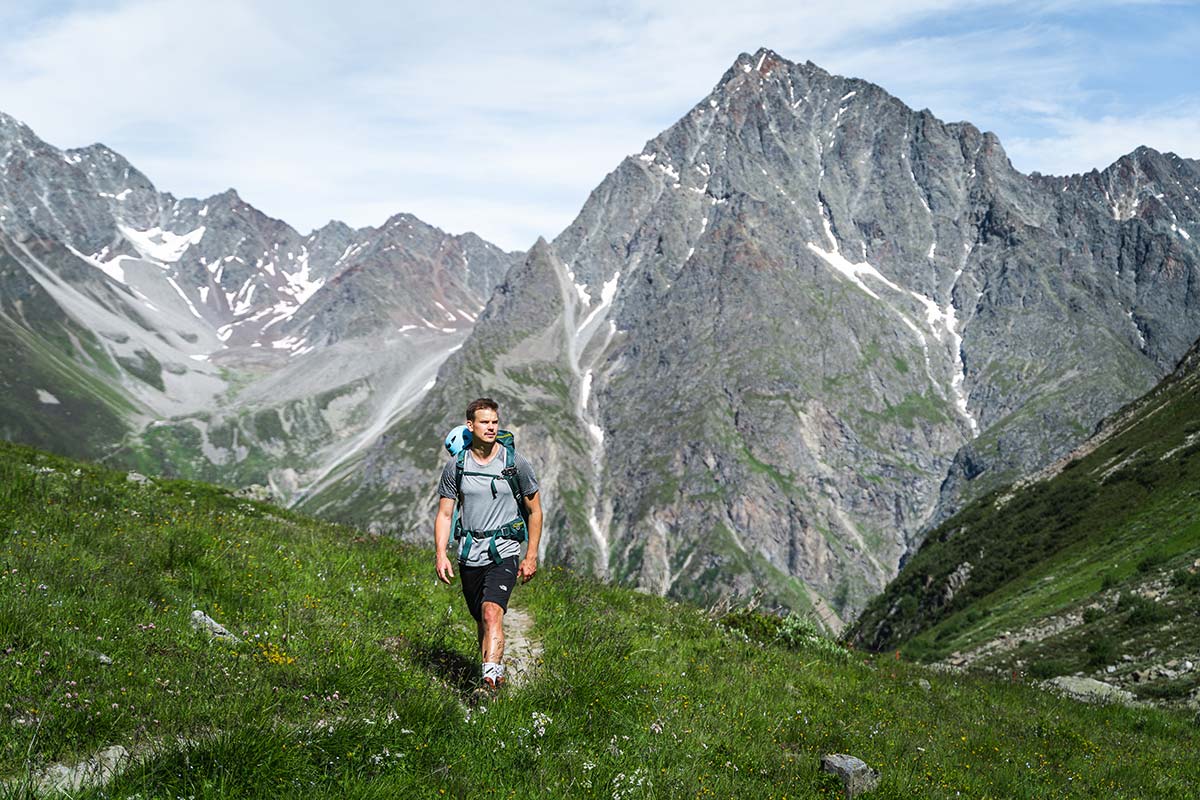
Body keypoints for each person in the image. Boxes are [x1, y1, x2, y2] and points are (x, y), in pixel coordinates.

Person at [434, 397, 543, 690]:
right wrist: (441, 554)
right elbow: (445, 514)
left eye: (495, 422)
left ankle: (490, 684)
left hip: (504, 549)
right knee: (481, 620)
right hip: (469, 553)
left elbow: (535, 510)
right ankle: (491, 669)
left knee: (492, 611)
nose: (491, 427)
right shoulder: (456, 466)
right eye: (485, 422)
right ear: (470, 426)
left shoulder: (514, 463)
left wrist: (530, 555)